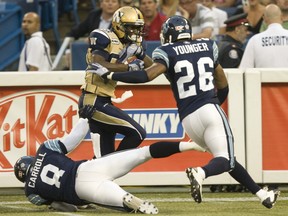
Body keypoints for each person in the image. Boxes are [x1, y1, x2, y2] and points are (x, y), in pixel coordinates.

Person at [88, 15, 280, 209]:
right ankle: (201, 173)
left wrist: (112, 74)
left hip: (188, 119)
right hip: (208, 108)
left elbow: (148, 75)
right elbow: (223, 85)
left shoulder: (166, 51)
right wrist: (213, 107)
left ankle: (262, 194)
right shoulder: (207, 46)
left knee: (226, 159)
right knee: (225, 159)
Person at [13, 105, 205, 213]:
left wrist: (81, 205)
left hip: (81, 190)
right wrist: (84, 118)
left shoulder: (32, 192)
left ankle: (126, 200)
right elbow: (72, 141)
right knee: (143, 153)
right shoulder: (44, 151)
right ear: (30, 159)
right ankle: (189, 145)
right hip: (88, 168)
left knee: (116, 201)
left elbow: (64, 206)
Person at [79, 6, 154, 157]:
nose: (136, 32)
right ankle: (113, 165)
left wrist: (141, 54)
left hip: (103, 99)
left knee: (102, 158)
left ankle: (103, 169)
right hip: (93, 99)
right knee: (137, 133)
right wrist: (129, 68)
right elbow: (98, 64)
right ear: (119, 26)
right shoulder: (104, 37)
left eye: (138, 28)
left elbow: (152, 67)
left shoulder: (131, 45)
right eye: (132, 28)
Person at [63, 0, 120, 70]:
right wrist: (68, 50)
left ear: (118, 5)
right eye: (107, 1)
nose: (110, 4)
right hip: (89, 55)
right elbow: (74, 32)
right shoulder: (93, 16)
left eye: (114, 1)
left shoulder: (120, 21)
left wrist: (93, 39)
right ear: (101, 4)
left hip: (111, 57)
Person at [240, 4, 288, 68]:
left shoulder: (254, 40)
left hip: (264, 78)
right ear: (281, 17)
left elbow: (245, 68)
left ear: (264, 19)